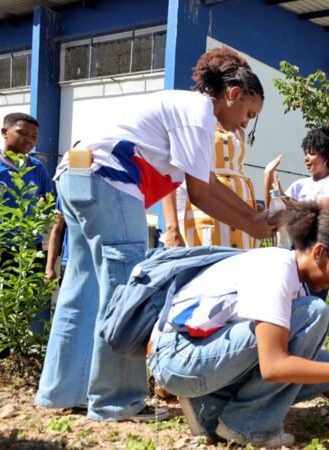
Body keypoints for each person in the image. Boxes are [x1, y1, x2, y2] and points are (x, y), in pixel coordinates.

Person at [35, 47, 273, 422]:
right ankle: (117, 403)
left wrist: (252, 216)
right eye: (248, 115)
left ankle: (62, 391)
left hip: (77, 177)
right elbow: (200, 193)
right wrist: (254, 224)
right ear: (232, 94)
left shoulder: (180, 106)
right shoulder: (199, 113)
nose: (242, 126)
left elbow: (207, 183)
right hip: (110, 182)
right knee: (125, 294)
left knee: (82, 290)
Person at [148, 202, 329, 448]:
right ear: (320, 252)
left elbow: (307, 362)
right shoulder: (277, 270)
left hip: (197, 355)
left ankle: (208, 406)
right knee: (315, 313)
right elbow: (273, 366)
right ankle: (247, 426)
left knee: (324, 363)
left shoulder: (295, 282)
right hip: (178, 358)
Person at [0, 112, 54, 357]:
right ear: (5, 132)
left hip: (24, 250)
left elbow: (47, 205)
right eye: (22, 133)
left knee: (17, 306)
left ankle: (3, 360)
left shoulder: (37, 168)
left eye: (34, 136)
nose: (29, 139)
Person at [162, 125, 257, 249]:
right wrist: (172, 227)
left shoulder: (240, 132)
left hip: (241, 218)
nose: (246, 122)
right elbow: (170, 175)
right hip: (206, 215)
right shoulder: (194, 123)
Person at [263, 127, 329, 211]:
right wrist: (268, 176)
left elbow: (320, 211)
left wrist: (287, 200)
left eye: (312, 153)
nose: (306, 158)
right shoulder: (298, 185)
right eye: (305, 153)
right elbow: (273, 210)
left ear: (326, 157)